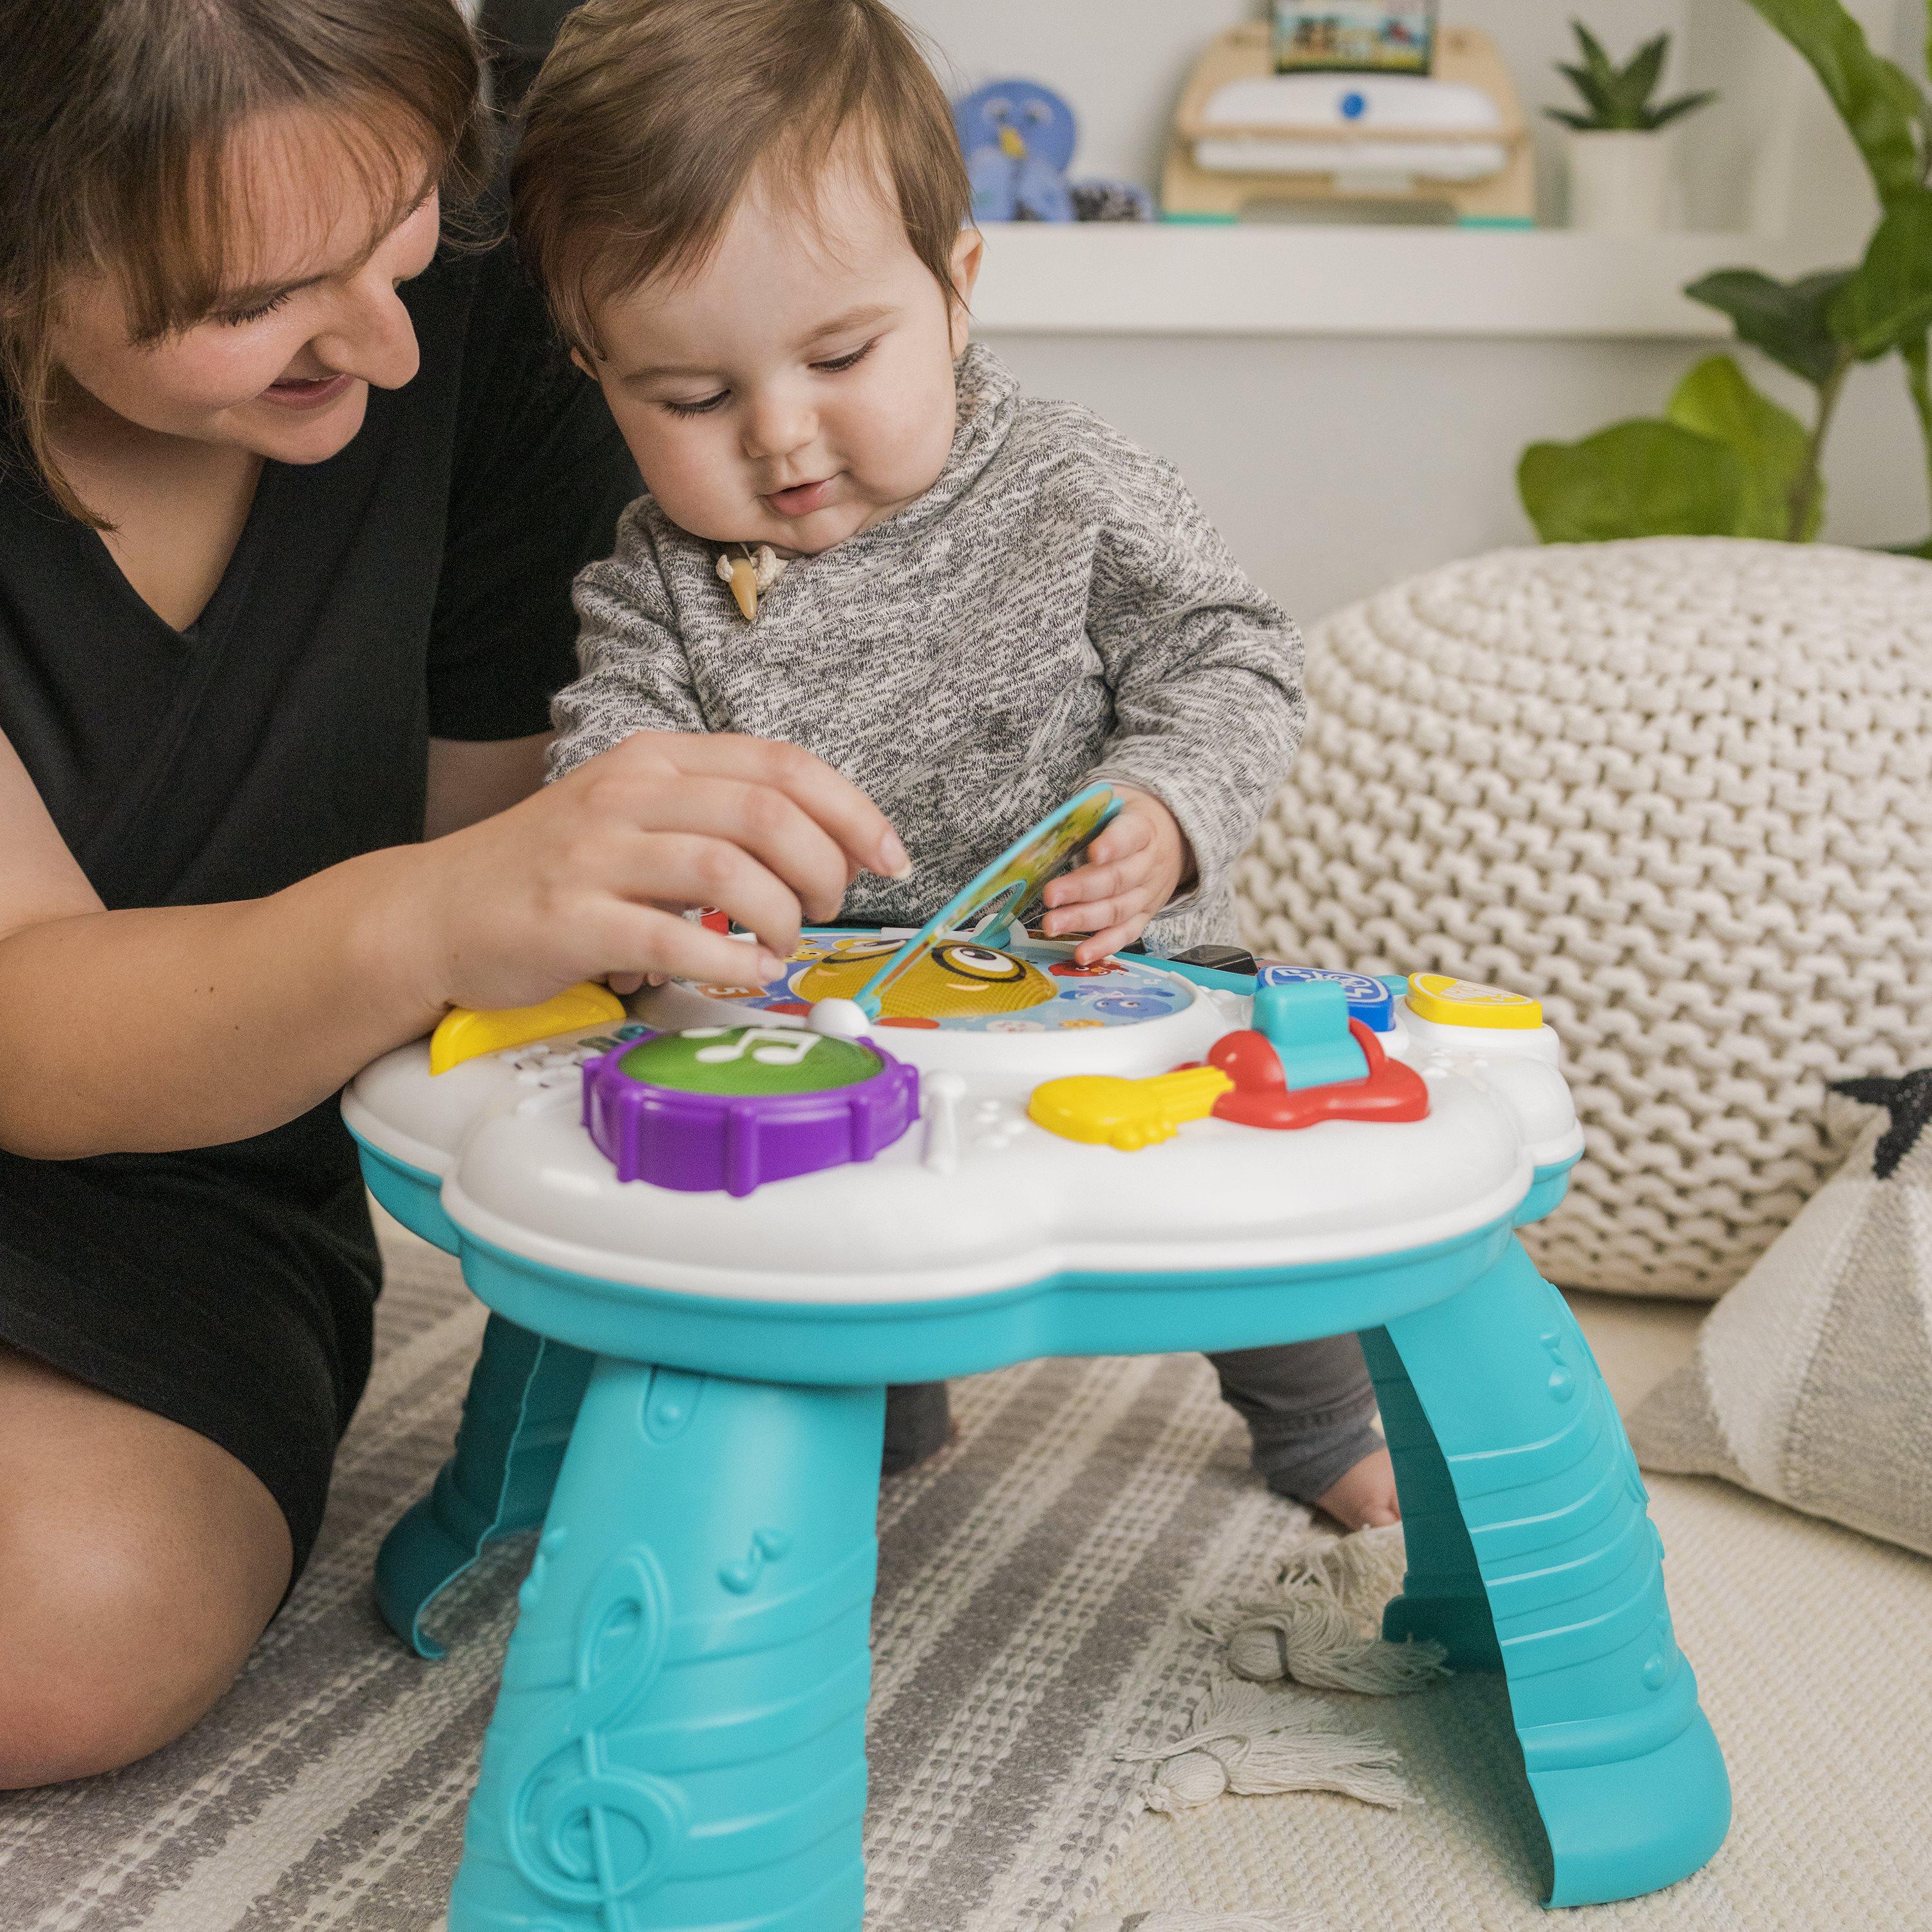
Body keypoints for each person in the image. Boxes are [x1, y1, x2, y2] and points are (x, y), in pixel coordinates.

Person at [0, 0, 906, 1789]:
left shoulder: (478, 316)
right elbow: (30, 1015)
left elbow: (506, 920)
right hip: (52, 1059)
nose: (384, 344)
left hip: (187, 1191)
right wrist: (449, 905)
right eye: (253, 300)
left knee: (66, 1631)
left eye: (403, 210)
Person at [512, 0, 1402, 1530]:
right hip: (818, 1012)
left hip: (1109, 972)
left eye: (843, 354)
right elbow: (611, 768)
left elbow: (1232, 655)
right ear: (598, 375)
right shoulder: (654, 575)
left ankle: (1318, 1422)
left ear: (957, 288)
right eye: (693, 399)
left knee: (1227, 1187)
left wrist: (1167, 812)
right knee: (806, 1226)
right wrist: (665, 900)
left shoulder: (1073, 483)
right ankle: (883, 1406)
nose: (784, 438)